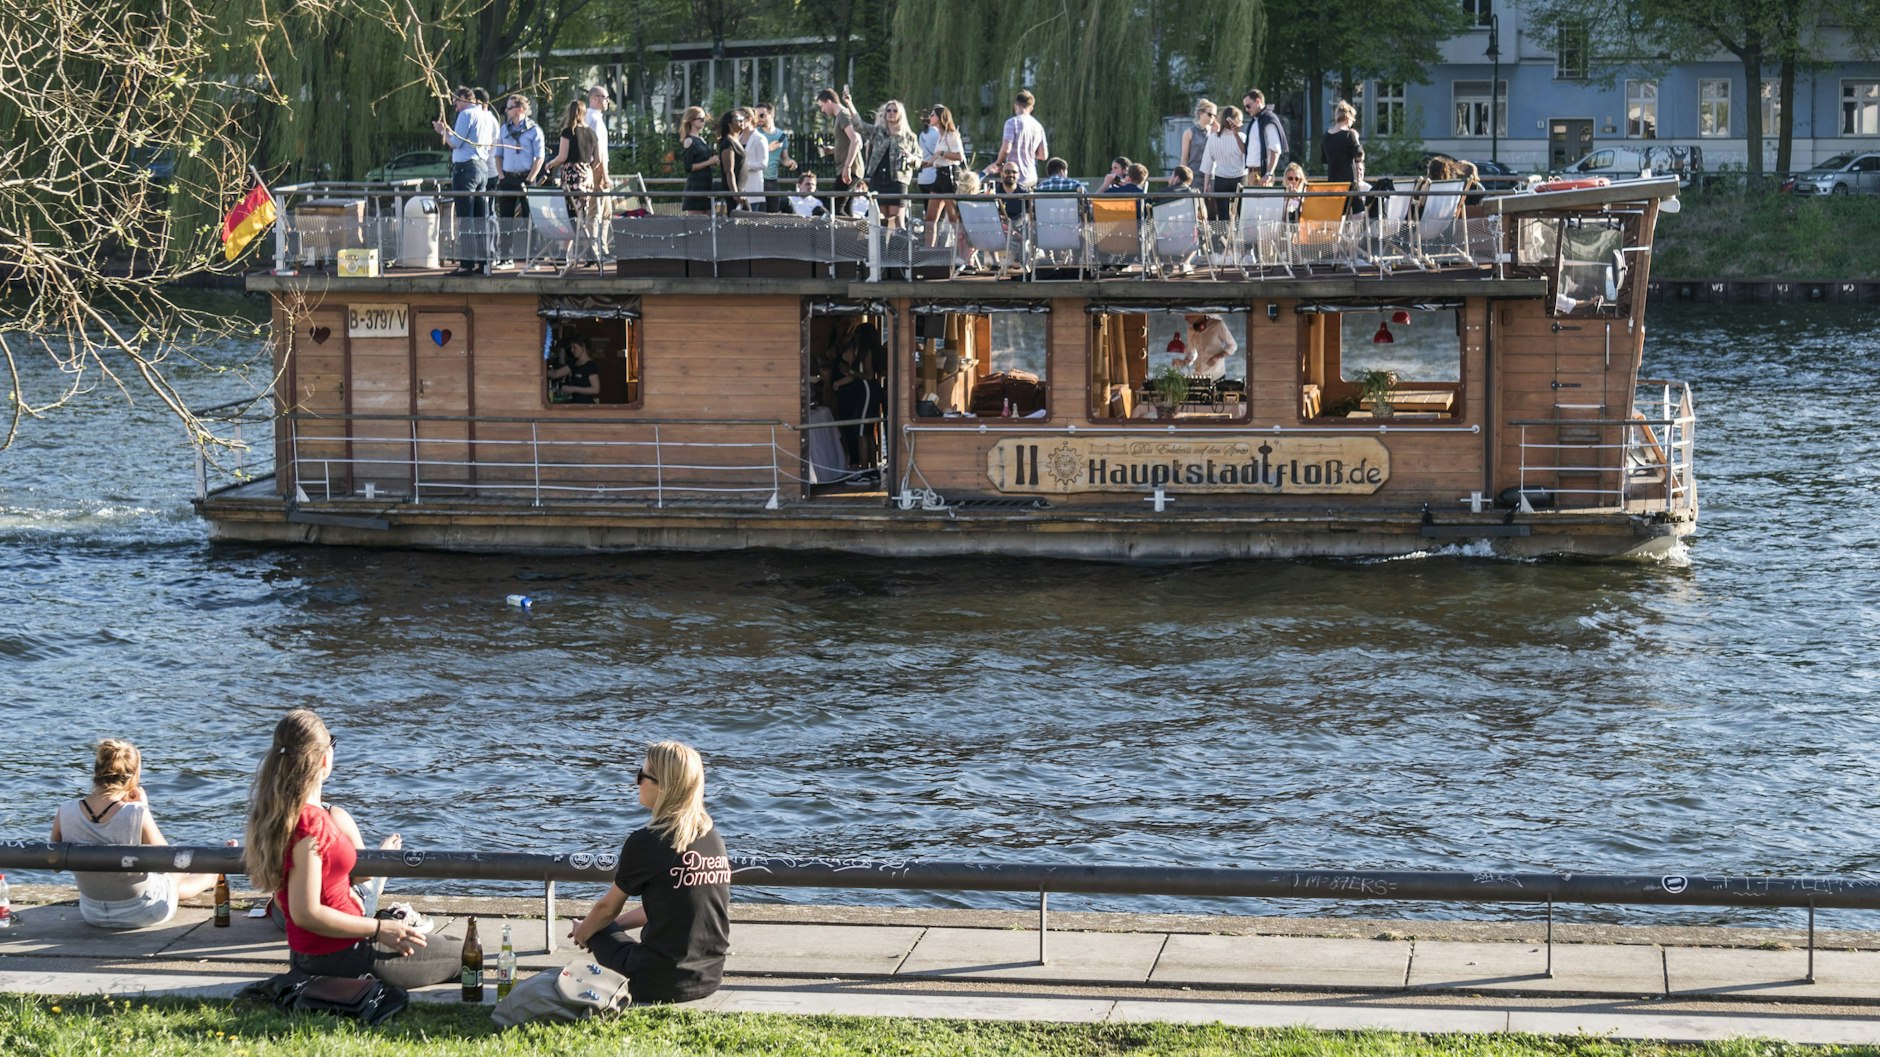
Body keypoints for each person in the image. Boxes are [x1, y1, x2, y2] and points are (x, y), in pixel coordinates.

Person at [244, 710, 455, 989]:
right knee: (463, 955)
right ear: (323, 758)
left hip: (315, 954)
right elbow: (305, 913)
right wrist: (380, 929)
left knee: (447, 944)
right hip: (345, 956)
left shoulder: (282, 814)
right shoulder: (311, 824)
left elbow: (285, 900)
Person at [571, 741, 730, 1005]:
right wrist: (612, 926)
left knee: (594, 929)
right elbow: (672, 905)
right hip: (709, 978)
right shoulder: (712, 838)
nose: (637, 781)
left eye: (641, 775)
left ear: (662, 786)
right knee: (600, 927)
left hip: (659, 983)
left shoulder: (647, 841)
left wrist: (584, 933)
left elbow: (606, 909)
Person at [49, 739, 221, 929]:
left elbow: (55, 865)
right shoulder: (136, 812)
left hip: (92, 912)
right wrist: (143, 807)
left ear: (96, 772)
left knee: (163, 882)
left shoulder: (65, 810)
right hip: (142, 912)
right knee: (171, 877)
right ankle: (211, 876)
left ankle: (208, 877)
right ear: (133, 777)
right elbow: (170, 860)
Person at [432, 85, 499, 276]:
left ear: (463, 98)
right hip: (482, 168)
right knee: (480, 217)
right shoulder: (486, 116)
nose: (455, 106)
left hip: (465, 169)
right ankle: (483, 262)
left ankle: (466, 264)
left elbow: (456, 142)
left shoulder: (466, 115)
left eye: (456, 102)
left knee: (465, 218)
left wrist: (441, 131)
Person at [493, 95, 545, 268]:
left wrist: (530, 179)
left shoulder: (534, 130)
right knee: (506, 219)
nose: (506, 111)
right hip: (508, 177)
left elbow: (539, 157)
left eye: (509, 108)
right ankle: (506, 257)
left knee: (530, 219)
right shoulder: (504, 129)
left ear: (520, 109)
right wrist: (501, 176)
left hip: (527, 178)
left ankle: (533, 258)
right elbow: (498, 155)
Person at [855, 99, 922, 229]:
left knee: (897, 221)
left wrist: (911, 158)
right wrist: (849, 104)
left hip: (897, 180)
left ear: (900, 114)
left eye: (895, 110)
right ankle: (881, 249)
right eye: (888, 110)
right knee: (880, 221)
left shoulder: (909, 136)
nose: (891, 113)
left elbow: (919, 159)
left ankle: (897, 249)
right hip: (878, 179)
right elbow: (859, 125)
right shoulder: (878, 132)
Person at [544, 100, 601, 241]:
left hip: (571, 175)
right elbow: (598, 159)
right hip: (586, 174)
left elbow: (562, 157)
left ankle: (565, 253)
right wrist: (586, 169)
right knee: (582, 212)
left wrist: (550, 164)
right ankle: (588, 251)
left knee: (569, 214)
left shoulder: (568, 132)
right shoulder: (592, 133)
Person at [918, 104, 963, 245]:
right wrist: (926, 163)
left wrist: (942, 153)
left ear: (940, 118)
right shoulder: (939, 136)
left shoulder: (951, 135)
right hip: (939, 175)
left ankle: (962, 250)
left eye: (933, 115)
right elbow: (938, 159)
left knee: (953, 217)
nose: (930, 118)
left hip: (949, 175)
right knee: (930, 218)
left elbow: (959, 156)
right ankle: (928, 250)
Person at [816, 88, 865, 216]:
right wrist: (832, 150)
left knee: (836, 209)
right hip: (850, 168)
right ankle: (855, 235)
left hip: (850, 169)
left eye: (822, 106)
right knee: (846, 210)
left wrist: (847, 167)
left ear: (828, 102)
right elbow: (848, 142)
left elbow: (855, 141)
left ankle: (857, 233)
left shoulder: (843, 115)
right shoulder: (840, 116)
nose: (822, 110)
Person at [1199, 105, 1246, 235]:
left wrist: (1206, 185)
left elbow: (1207, 162)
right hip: (1240, 178)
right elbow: (1246, 156)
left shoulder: (1213, 138)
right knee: (1243, 216)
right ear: (1234, 120)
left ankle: (1224, 249)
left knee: (1223, 218)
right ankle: (1245, 249)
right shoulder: (1242, 137)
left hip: (1221, 179)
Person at [985, 89, 1047, 188]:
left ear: (1015, 106)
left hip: (1014, 178)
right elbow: (1043, 155)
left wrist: (998, 163)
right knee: (1029, 203)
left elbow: (1006, 149)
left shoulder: (1012, 123)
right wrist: (1028, 149)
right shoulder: (1038, 126)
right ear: (1031, 108)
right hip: (1031, 176)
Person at [1321, 98, 1365, 213]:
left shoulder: (1326, 136)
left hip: (1333, 183)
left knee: (1337, 215)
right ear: (1348, 119)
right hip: (1349, 182)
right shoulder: (1349, 134)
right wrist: (1357, 138)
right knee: (1358, 214)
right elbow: (1359, 156)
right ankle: (1353, 232)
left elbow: (1324, 159)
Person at [752, 103, 795, 212]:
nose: (758, 119)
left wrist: (790, 162)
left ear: (771, 115)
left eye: (762, 115)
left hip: (773, 181)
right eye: (756, 115)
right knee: (758, 215)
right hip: (758, 179)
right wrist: (767, 148)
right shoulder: (755, 133)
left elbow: (784, 158)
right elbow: (748, 155)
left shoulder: (781, 135)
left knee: (773, 215)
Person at [1242, 88, 1288, 187]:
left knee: (1263, 201)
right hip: (1251, 172)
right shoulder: (1255, 121)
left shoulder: (1268, 119)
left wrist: (1268, 174)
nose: (1246, 109)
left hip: (1261, 172)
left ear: (1258, 101)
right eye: (1245, 107)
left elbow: (1275, 149)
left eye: (1248, 106)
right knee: (1251, 202)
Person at [1172, 313, 1238, 381]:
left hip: (1216, 375)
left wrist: (1218, 356)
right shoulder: (1191, 329)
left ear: (1199, 313)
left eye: (1189, 314)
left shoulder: (1217, 324)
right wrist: (1183, 362)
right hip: (1198, 375)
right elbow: (1191, 353)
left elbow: (1233, 346)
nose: (1186, 318)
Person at [677, 106, 717, 216]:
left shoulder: (701, 140)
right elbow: (688, 167)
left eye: (704, 119)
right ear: (691, 120)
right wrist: (709, 162)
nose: (704, 122)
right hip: (696, 185)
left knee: (709, 219)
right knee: (695, 222)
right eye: (701, 119)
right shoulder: (689, 141)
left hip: (706, 184)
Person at [714, 109, 749, 214]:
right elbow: (729, 170)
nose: (742, 121)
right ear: (730, 124)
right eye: (738, 119)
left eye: (743, 119)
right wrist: (734, 193)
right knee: (738, 220)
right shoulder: (728, 142)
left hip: (740, 190)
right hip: (733, 191)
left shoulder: (736, 140)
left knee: (747, 219)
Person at [739, 112, 770, 210]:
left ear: (749, 118)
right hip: (738, 187)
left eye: (741, 119)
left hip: (752, 187)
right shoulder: (737, 137)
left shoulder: (760, 138)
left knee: (750, 220)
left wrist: (743, 166)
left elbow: (763, 164)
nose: (739, 122)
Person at [1179, 100, 1216, 178]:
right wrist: (1182, 178)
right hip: (1194, 174)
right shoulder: (1189, 132)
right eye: (1209, 114)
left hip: (1211, 174)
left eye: (1214, 115)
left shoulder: (1214, 132)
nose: (1212, 117)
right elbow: (1184, 158)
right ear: (1200, 113)